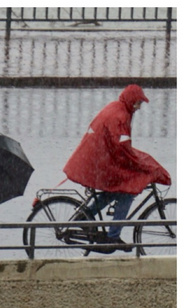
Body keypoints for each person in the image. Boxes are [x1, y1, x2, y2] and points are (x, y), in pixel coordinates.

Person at [63, 84, 171, 251]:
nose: (139, 107)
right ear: (131, 101)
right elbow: (122, 149)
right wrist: (140, 164)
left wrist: (136, 160)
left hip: (95, 158)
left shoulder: (116, 107)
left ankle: (84, 218)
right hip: (100, 161)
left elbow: (121, 147)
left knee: (114, 190)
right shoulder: (120, 117)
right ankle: (113, 237)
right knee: (128, 192)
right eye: (138, 103)